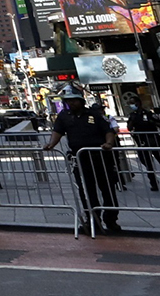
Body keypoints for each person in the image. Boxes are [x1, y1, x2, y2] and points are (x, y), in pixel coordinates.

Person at [46, 85, 121, 234]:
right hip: (80, 159)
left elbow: (108, 131)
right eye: (68, 101)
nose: (71, 103)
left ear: (81, 100)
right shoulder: (64, 116)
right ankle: (92, 218)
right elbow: (58, 132)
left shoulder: (94, 114)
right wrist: (51, 144)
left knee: (107, 189)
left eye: (74, 100)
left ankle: (111, 219)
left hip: (100, 157)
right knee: (86, 191)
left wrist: (108, 143)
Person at [125, 102, 160, 192]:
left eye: (133, 103)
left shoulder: (149, 114)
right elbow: (129, 128)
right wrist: (132, 120)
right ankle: (154, 184)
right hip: (142, 143)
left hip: (154, 142)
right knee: (148, 165)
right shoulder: (132, 116)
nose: (132, 105)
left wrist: (152, 122)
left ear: (139, 103)